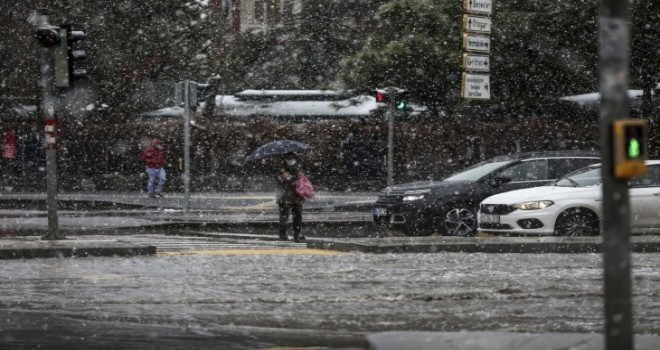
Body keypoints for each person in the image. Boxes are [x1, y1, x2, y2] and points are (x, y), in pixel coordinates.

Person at [275, 152, 306, 242]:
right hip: (284, 196)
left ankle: (297, 234)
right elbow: (278, 179)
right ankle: (283, 234)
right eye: (289, 158)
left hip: (297, 195)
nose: (291, 159)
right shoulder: (281, 168)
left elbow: (302, 178)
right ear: (285, 158)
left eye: (292, 157)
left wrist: (300, 176)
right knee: (284, 216)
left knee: (298, 216)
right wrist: (282, 177)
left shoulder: (298, 166)